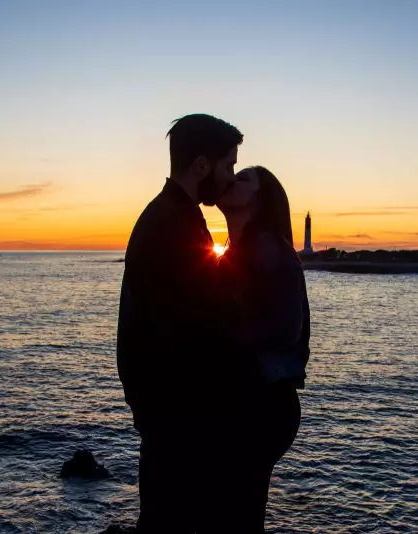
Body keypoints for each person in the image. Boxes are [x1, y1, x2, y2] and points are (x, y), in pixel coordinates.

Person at [116, 114, 243, 533]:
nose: (230, 177)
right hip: (178, 415)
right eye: (229, 165)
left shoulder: (166, 216)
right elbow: (199, 325)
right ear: (202, 166)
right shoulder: (174, 225)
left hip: (166, 411)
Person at [216, 166, 310, 533]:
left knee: (237, 515)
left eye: (242, 180)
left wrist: (217, 335)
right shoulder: (235, 253)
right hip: (255, 401)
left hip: (264, 404)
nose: (230, 181)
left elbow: (286, 329)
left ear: (259, 199)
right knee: (238, 513)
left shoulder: (270, 248)